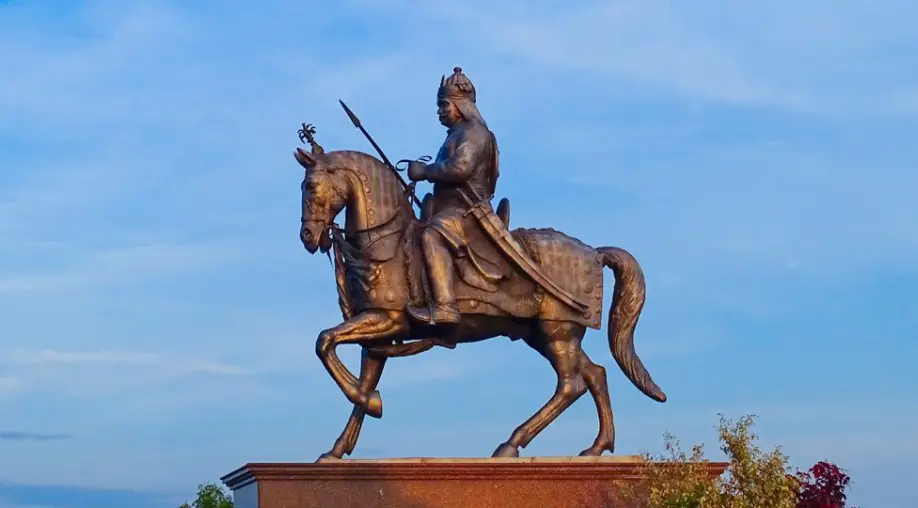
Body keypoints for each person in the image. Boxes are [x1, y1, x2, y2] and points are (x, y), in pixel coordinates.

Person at [406, 67, 500, 324]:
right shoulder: (456, 135)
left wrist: (425, 171)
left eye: (444, 105)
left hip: (466, 212)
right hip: (448, 209)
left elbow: (461, 168)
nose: (439, 111)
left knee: (432, 235)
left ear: (460, 105)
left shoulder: (474, 133)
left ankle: (445, 306)